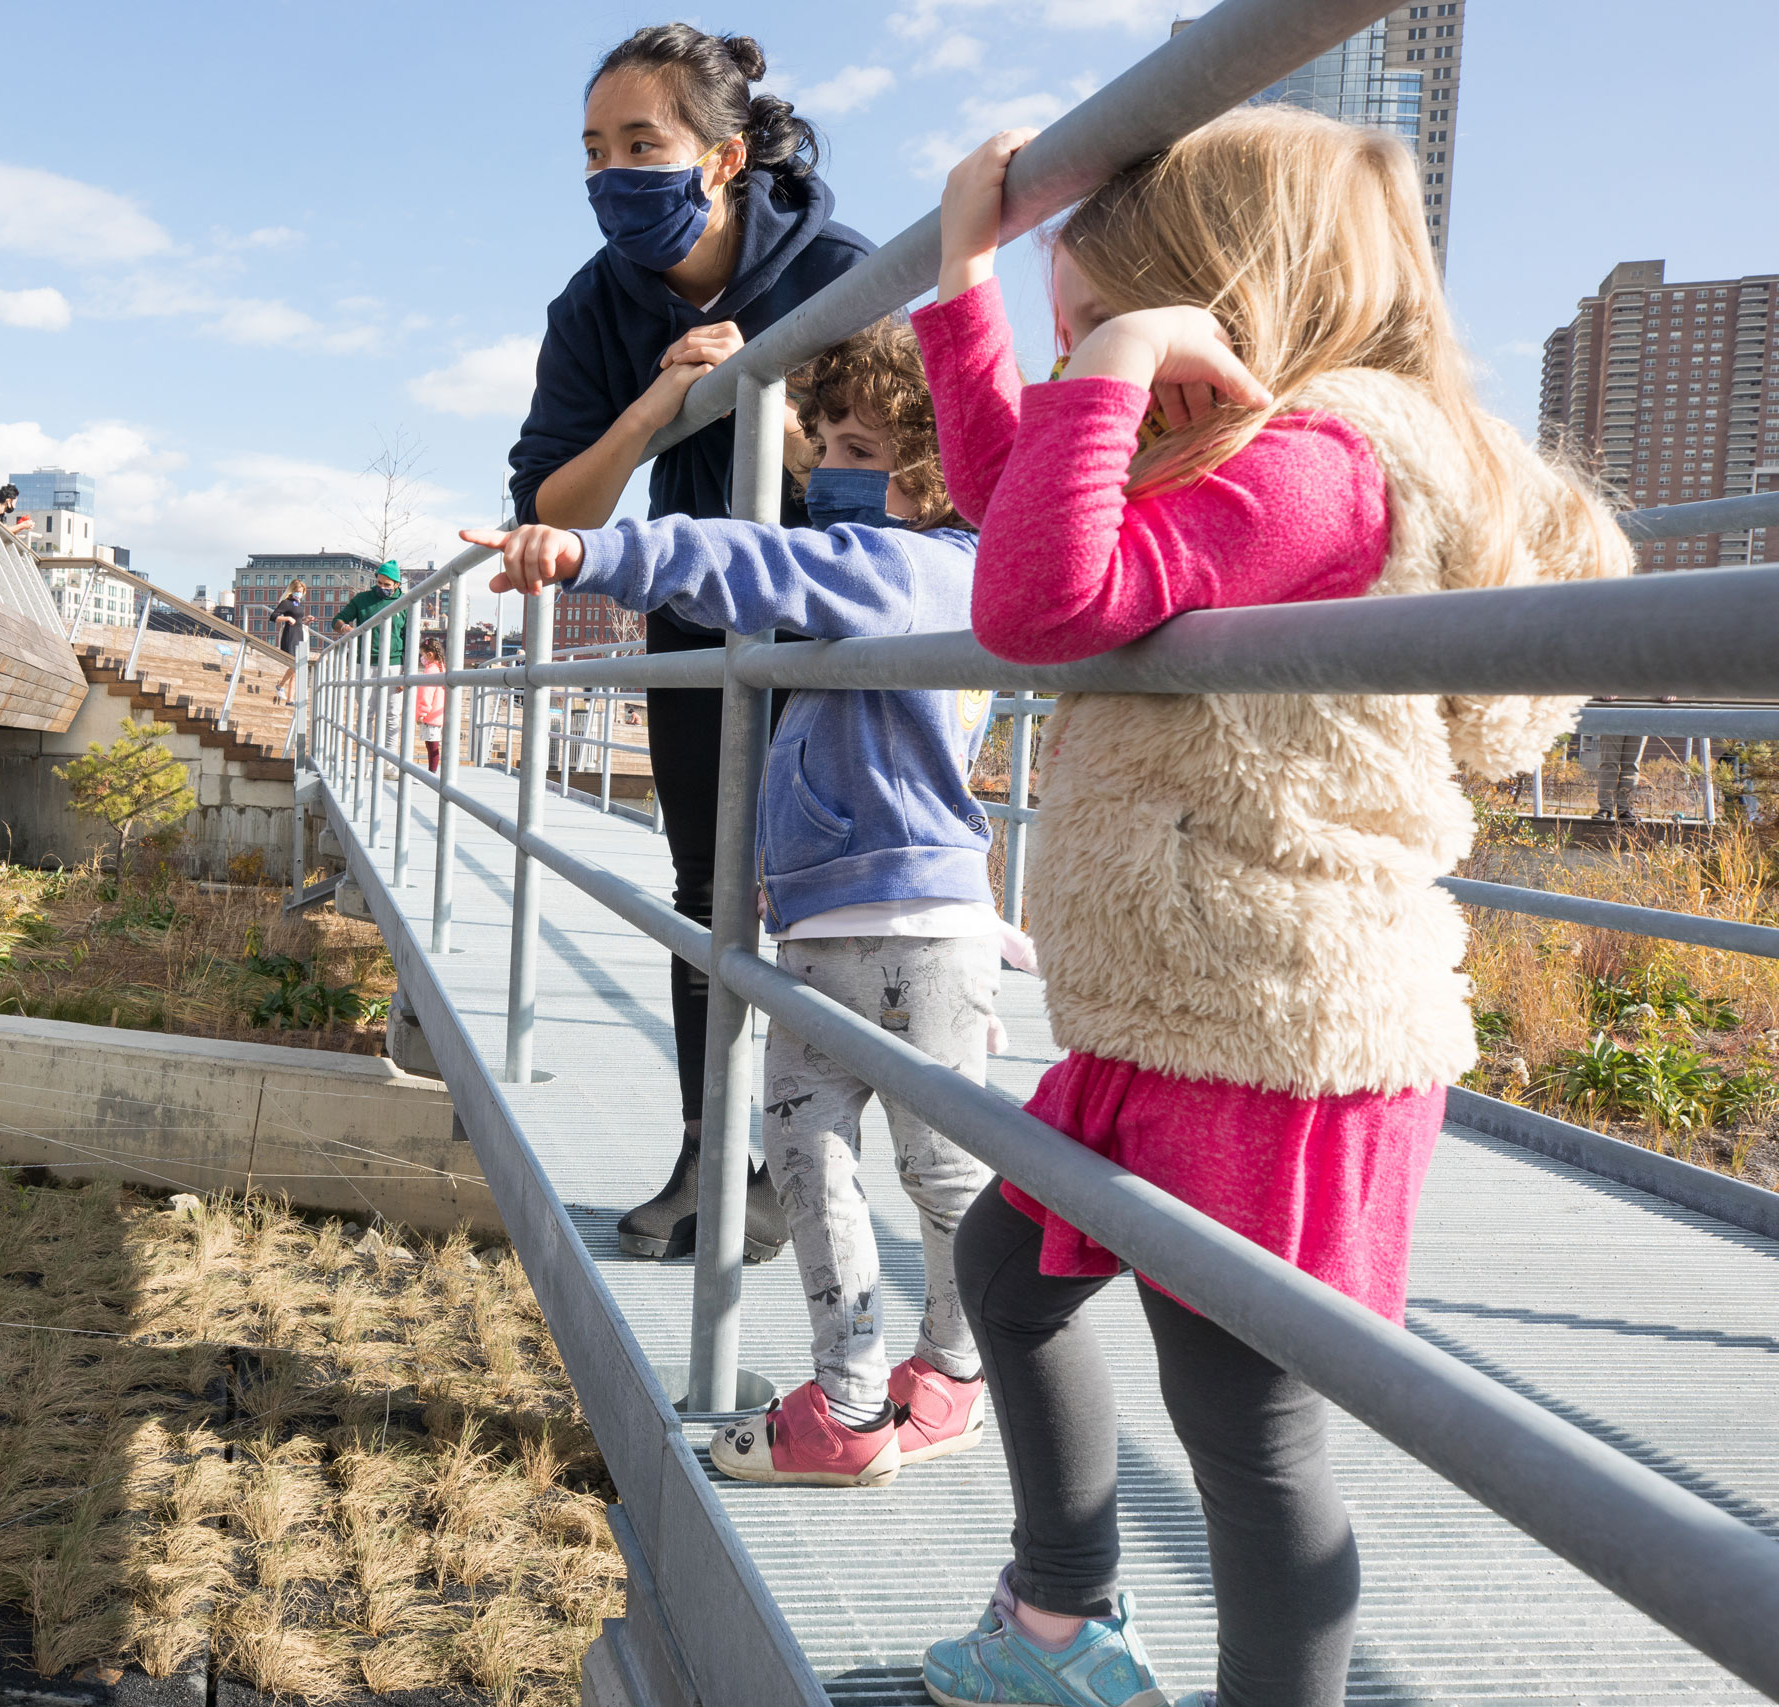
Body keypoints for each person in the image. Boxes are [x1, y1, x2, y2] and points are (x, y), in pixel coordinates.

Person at [909, 112, 1629, 1707]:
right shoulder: (1252, 445)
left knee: (1248, 1425)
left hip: (1278, 1022)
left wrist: (1118, 364)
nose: (1078, 370)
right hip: (1173, 990)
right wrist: (964, 285)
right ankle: (1063, 1624)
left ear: (1219, 301)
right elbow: (1014, 496)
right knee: (1009, 1277)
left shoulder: (1326, 462)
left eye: (1094, 331)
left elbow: (1034, 600)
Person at [472, 316, 1029, 1487]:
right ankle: (847, 1399)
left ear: (928, 475)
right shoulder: (882, 551)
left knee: (941, 1173)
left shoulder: (925, 567)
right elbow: (804, 534)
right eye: (814, 441)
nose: (822, 467)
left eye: (853, 448)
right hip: (822, 924)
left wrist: (596, 556)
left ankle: (956, 1370)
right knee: (808, 1163)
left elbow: (765, 565)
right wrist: (753, 400)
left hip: (919, 928)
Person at [509, 21, 876, 1264]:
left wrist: (756, 394)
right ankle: (714, 1152)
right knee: (711, 895)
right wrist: (661, 407)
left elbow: (907, 490)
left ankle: (822, 1163)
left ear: (721, 158)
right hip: (699, 620)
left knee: (838, 909)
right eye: (596, 150)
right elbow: (554, 509)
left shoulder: (838, 271)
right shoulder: (595, 302)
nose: (615, 173)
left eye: (642, 145)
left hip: (834, 625)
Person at [331, 561, 408, 663]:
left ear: (397, 584)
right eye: (379, 583)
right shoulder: (361, 599)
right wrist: (347, 629)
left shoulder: (405, 602)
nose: (382, 587)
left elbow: (409, 636)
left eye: (387, 584)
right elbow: (336, 621)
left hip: (393, 663)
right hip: (365, 661)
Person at [270, 579, 310, 704]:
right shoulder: (286, 602)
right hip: (290, 635)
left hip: (299, 635)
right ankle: (280, 686)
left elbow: (297, 620)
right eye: (297, 591)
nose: (299, 594)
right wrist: (287, 618)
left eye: (301, 592)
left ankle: (289, 699)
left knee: (295, 670)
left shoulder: (298, 604)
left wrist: (305, 620)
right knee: (295, 666)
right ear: (292, 591)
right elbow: (273, 617)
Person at [415, 636, 447, 772]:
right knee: (433, 745)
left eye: (422, 655)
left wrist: (422, 713)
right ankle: (432, 771)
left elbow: (426, 693)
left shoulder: (430, 671)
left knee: (432, 746)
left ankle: (431, 772)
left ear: (429, 655)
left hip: (431, 715)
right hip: (438, 714)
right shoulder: (442, 669)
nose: (421, 658)